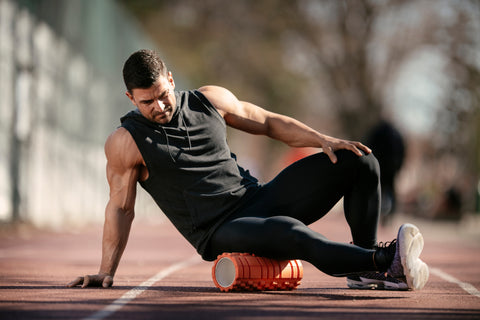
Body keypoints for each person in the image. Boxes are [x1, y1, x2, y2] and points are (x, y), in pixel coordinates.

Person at [68, 49, 428, 291]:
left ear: (172, 80)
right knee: (290, 232)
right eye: (147, 101)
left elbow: (269, 123)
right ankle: (385, 260)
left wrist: (322, 139)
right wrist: (106, 271)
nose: (160, 106)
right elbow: (120, 208)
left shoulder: (209, 100)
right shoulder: (126, 141)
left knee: (360, 160)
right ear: (131, 98)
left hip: (256, 198)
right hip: (219, 229)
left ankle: (363, 270)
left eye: (164, 94)